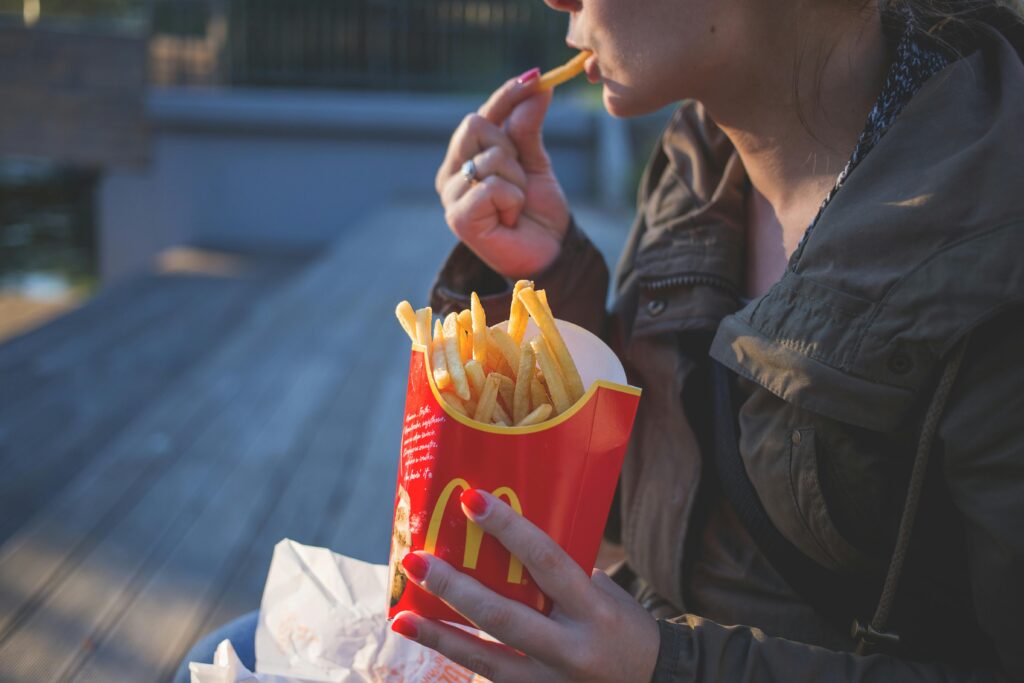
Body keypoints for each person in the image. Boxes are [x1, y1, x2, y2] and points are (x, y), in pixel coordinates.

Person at [175, 0, 1023, 681]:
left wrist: (659, 665)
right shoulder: (698, 159)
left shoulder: (994, 241)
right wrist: (545, 272)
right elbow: (660, 511)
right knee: (236, 648)